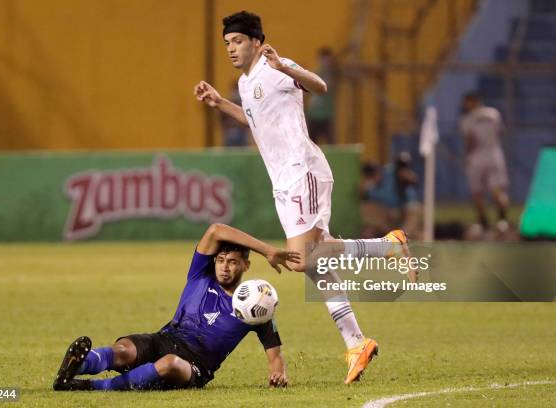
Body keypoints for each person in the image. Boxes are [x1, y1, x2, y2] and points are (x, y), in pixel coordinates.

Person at [193, 10, 412, 383]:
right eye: (228, 43)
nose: (231, 49)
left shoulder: (273, 63)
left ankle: (388, 247)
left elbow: (321, 86)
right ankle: (356, 342)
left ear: (256, 43)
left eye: (238, 41)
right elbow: (254, 120)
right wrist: (219, 104)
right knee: (316, 263)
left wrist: (287, 67)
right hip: (282, 181)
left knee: (301, 259)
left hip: (302, 170)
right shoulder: (246, 84)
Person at [52, 223, 298, 391]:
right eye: (220, 260)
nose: (224, 267)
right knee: (124, 350)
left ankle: (92, 387)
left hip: (195, 366)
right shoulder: (200, 274)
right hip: (165, 338)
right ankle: (77, 366)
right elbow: (216, 230)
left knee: (169, 363)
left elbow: (275, 356)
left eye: (232, 262)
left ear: (246, 266)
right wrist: (267, 250)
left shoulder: (256, 306)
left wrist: (279, 374)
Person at [459, 92, 510, 234]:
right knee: (497, 189)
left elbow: (470, 141)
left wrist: (467, 157)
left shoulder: (468, 118)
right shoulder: (494, 113)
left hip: (477, 156)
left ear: (471, 101)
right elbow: (500, 133)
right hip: (494, 154)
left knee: (477, 191)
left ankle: (484, 223)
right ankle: (502, 221)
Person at [360, 153, 422, 239]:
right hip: (388, 213)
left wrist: (407, 179)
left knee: (413, 209)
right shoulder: (379, 180)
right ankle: (393, 237)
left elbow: (413, 182)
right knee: (368, 211)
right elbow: (367, 196)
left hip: (402, 211)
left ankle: (401, 237)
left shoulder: (395, 174)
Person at [306, 47, 337, 145]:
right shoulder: (315, 73)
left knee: (331, 144)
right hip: (313, 115)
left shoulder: (333, 74)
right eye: (324, 59)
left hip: (326, 115)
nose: (326, 62)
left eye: (328, 60)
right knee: (311, 144)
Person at [221, 81, 250, 147]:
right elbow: (222, 119)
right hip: (228, 132)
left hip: (242, 133)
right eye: (235, 90)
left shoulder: (245, 104)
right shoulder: (227, 103)